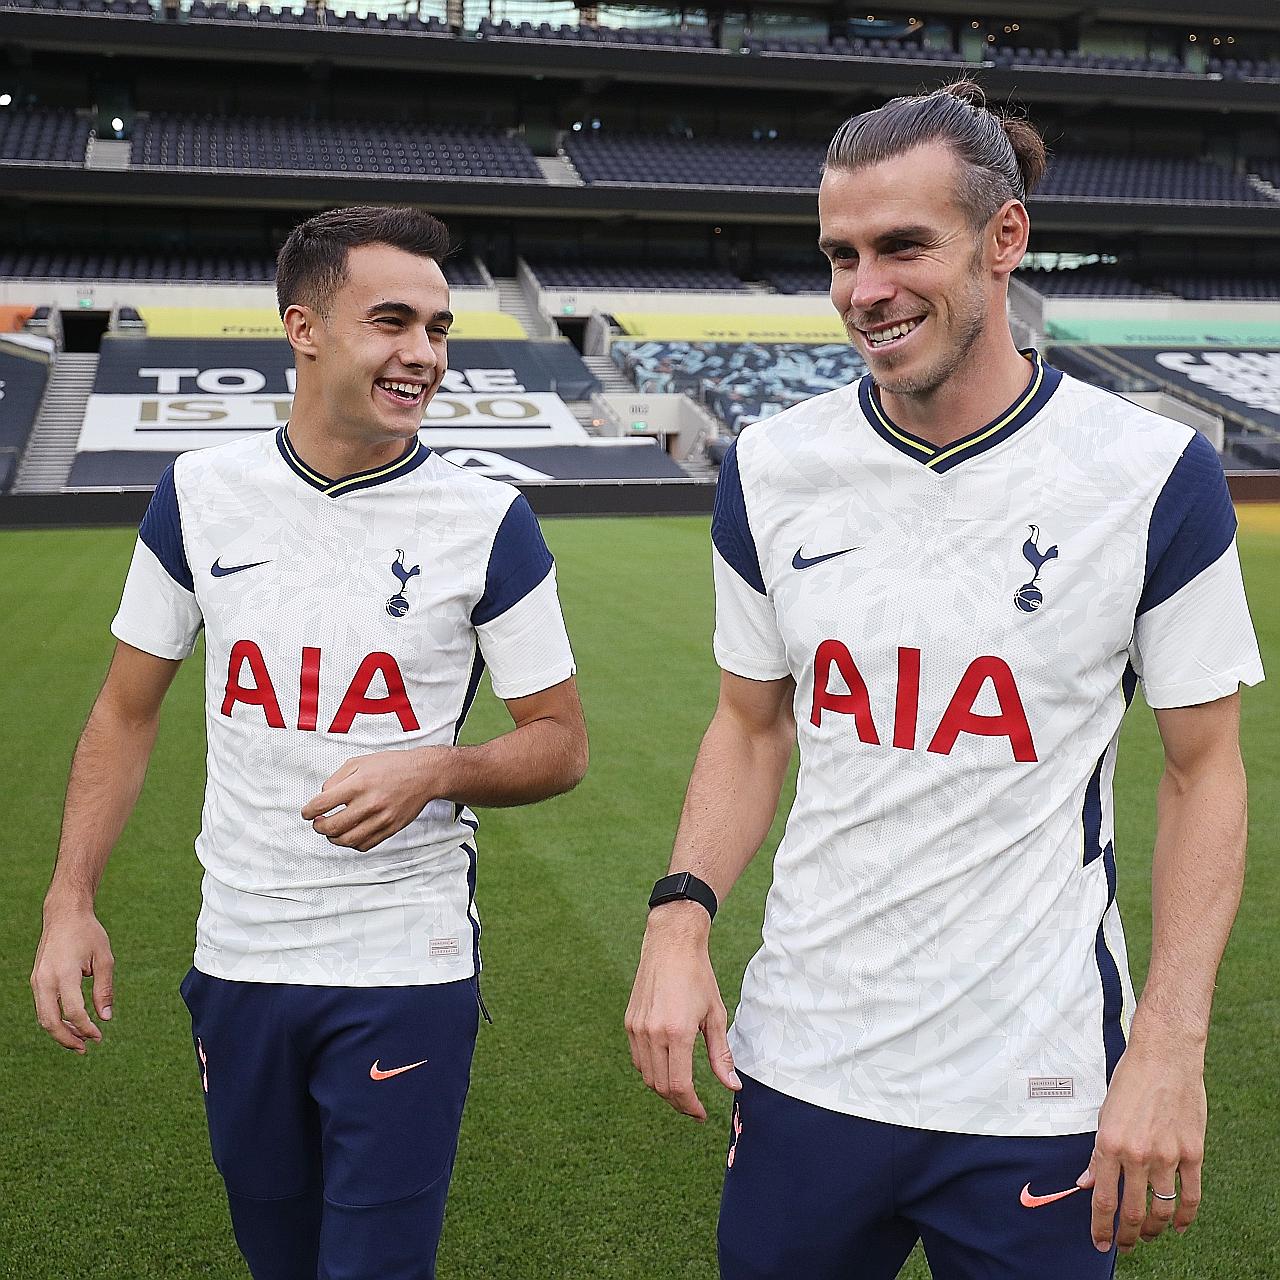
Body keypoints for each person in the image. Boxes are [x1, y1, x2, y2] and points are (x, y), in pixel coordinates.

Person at [625, 81, 1263, 1280]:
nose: (864, 289)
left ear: (1003, 238)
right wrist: (678, 912)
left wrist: (1168, 1044)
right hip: (805, 1057)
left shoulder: (1150, 474)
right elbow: (748, 725)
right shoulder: (770, 466)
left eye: (903, 244)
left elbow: (1202, 768)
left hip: (1037, 1076)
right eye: (840, 254)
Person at [31, 205, 588, 1280]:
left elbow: (559, 743)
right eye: (391, 321)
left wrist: (438, 764)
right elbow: (124, 708)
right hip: (238, 953)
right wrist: (70, 896)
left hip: (401, 958)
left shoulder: (488, 521)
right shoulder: (198, 494)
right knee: (277, 1252)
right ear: (305, 327)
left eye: (437, 327)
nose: (422, 353)